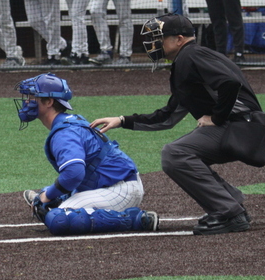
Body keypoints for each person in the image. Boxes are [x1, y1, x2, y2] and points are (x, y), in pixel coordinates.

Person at [90, 14, 264, 235]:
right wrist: (122, 121)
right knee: (182, 151)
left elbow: (230, 83)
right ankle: (231, 203)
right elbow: (167, 116)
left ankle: (229, 212)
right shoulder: (188, 61)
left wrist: (217, 118)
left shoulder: (191, 56)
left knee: (175, 154)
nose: (154, 44)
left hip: (242, 128)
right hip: (244, 128)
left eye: (159, 38)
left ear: (179, 39)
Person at [15, 73, 158, 236]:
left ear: (49, 101)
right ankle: (54, 200)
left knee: (59, 219)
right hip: (110, 183)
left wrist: (47, 196)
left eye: (32, 97)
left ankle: (135, 220)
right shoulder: (68, 122)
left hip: (118, 189)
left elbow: (73, 174)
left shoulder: (65, 133)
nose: (26, 101)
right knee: (50, 196)